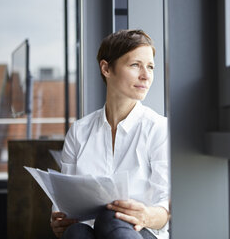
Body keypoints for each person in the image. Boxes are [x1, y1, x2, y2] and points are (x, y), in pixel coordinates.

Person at [50, 29, 170, 239]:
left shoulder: (158, 128)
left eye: (150, 67)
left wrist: (146, 216)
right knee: (76, 232)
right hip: (89, 233)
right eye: (135, 65)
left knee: (111, 218)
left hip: (140, 233)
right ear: (106, 68)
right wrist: (59, 220)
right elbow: (64, 200)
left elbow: (165, 209)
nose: (146, 75)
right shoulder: (79, 132)